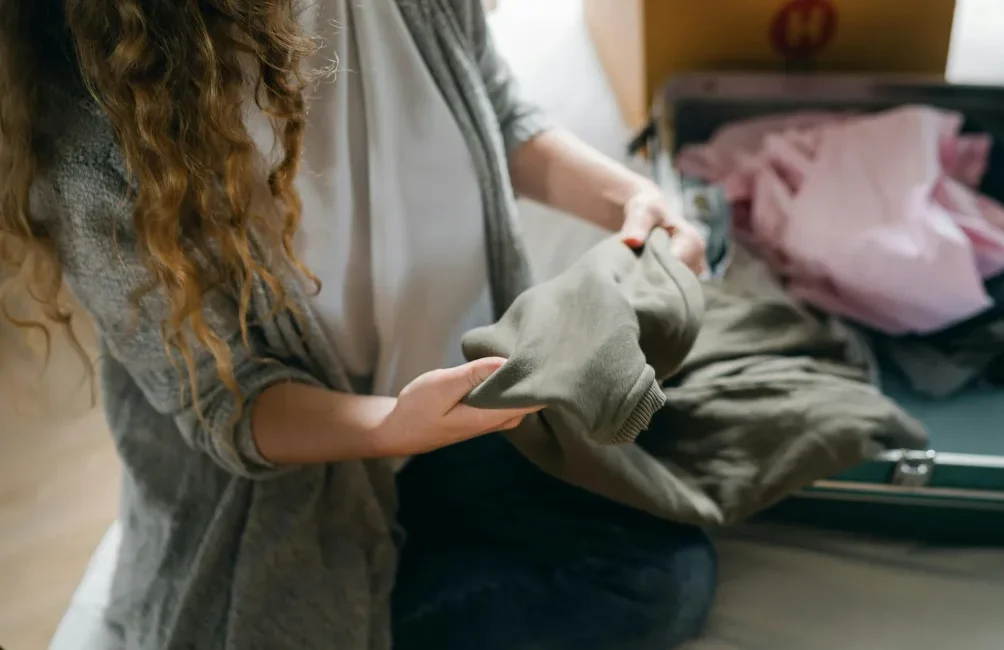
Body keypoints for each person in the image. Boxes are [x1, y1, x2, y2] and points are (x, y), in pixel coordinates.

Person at [0, 1, 716, 649]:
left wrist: (632, 200)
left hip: (466, 401)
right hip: (294, 481)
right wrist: (394, 427)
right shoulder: (97, 122)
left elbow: (493, 106)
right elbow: (229, 403)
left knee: (668, 576)